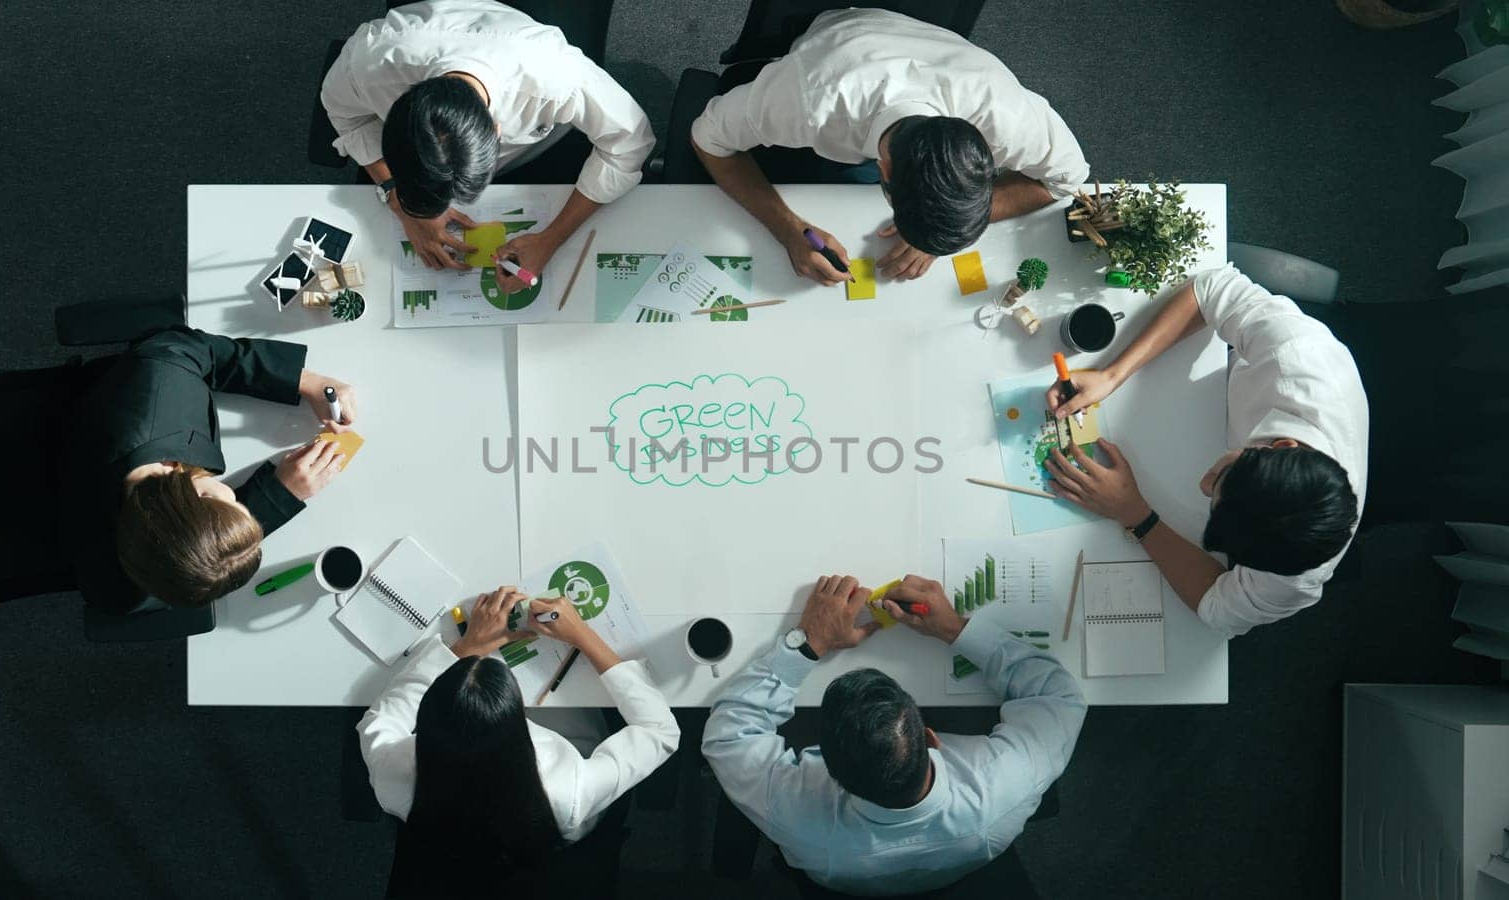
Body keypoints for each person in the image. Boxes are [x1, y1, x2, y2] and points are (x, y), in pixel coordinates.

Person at [702, 574, 1086, 896]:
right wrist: (955, 628)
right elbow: (1056, 695)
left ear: (828, 771)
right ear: (931, 738)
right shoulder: (1003, 783)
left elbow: (728, 734)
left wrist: (808, 644)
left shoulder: (798, 816)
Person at [1042, 265, 1368, 638]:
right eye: (1221, 477)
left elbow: (1218, 608)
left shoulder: (1297, 577)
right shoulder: (1297, 357)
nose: (1203, 483)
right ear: (1281, 446)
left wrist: (1134, 513)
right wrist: (1112, 375)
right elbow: (1211, 289)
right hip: (1206, 395)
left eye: (1212, 492)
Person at [690, 8, 1088, 285]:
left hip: (925, 48)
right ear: (883, 172)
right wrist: (790, 230)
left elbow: (1066, 180)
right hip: (842, 37)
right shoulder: (808, 102)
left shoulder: (1006, 114)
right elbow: (707, 138)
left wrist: (935, 230)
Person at [360, 586, 680, 896]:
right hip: (550, 821)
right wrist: (582, 635)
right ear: (519, 722)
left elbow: (378, 722)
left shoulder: (396, 775)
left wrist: (468, 647)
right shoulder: (568, 791)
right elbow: (660, 732)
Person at [321, 0, 655, 294]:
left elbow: (630, 141)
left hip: (536, 139)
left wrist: (551, 239)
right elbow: (344, 115)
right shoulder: (367, 65)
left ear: (497, 132)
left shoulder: (557, 77)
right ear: (395, 116)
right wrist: (399, 200)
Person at [60, 326, 355, 613]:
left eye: (234, 504)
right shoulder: (120, 586)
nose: (235, 498)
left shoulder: (162, 380)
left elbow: (191, 348)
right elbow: (191, 568)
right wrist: (276, 494)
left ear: (199, 492)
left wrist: (303, 380)